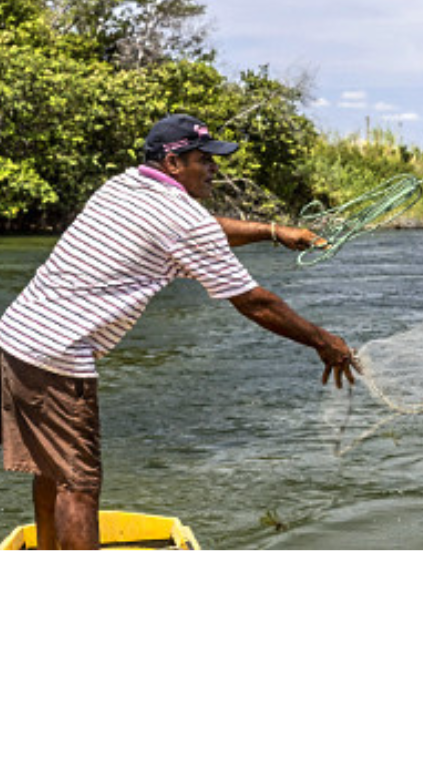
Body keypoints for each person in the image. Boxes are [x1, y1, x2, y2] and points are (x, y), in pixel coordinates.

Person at [0, 113, 357, 550]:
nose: (213, 169)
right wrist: (324, 342)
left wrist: (272, 232)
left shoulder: (125, 185)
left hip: (17, 338)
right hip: (58, 354)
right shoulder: (181, 218)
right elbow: (254, 302)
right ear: (172, 163)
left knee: (52, 469)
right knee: (79, 485)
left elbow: (205, 229)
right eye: (203, 159)